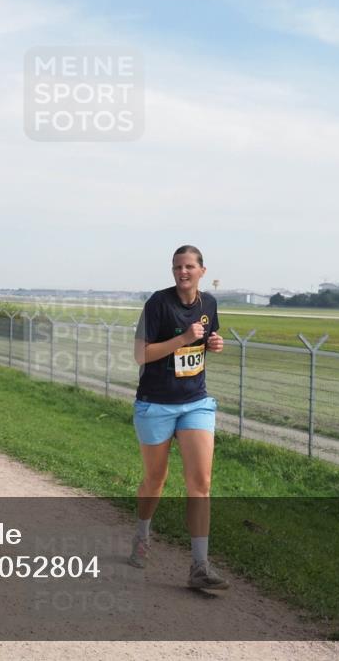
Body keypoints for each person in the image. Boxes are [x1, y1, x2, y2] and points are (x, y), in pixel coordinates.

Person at [129, 245, 229, 590]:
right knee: (155, 480)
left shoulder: (209, 304)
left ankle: (199, 566)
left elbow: (200, 347)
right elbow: (141, 354)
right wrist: (183, 338)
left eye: (188, 267)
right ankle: (142, 535)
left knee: (200, 485)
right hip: (155, 404)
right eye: (176, 267)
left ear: (202, 270)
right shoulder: (158, 303)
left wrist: (213, 344)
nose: (182, 272)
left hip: (195, 403)